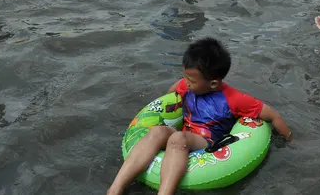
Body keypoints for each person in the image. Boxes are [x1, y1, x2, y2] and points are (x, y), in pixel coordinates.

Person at [107, 37, 292, 195]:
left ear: (213, 83)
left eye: (191, 81)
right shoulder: (185, 86)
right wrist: (171, 106)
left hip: (208, 143)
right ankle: (115, 189)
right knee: (158, 132)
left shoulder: (234, 99)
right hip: (186, 133)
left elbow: (272, 115)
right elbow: (172, 95)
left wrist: (288, 139)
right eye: (185, 78)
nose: (185, 83)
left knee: (178, 138)